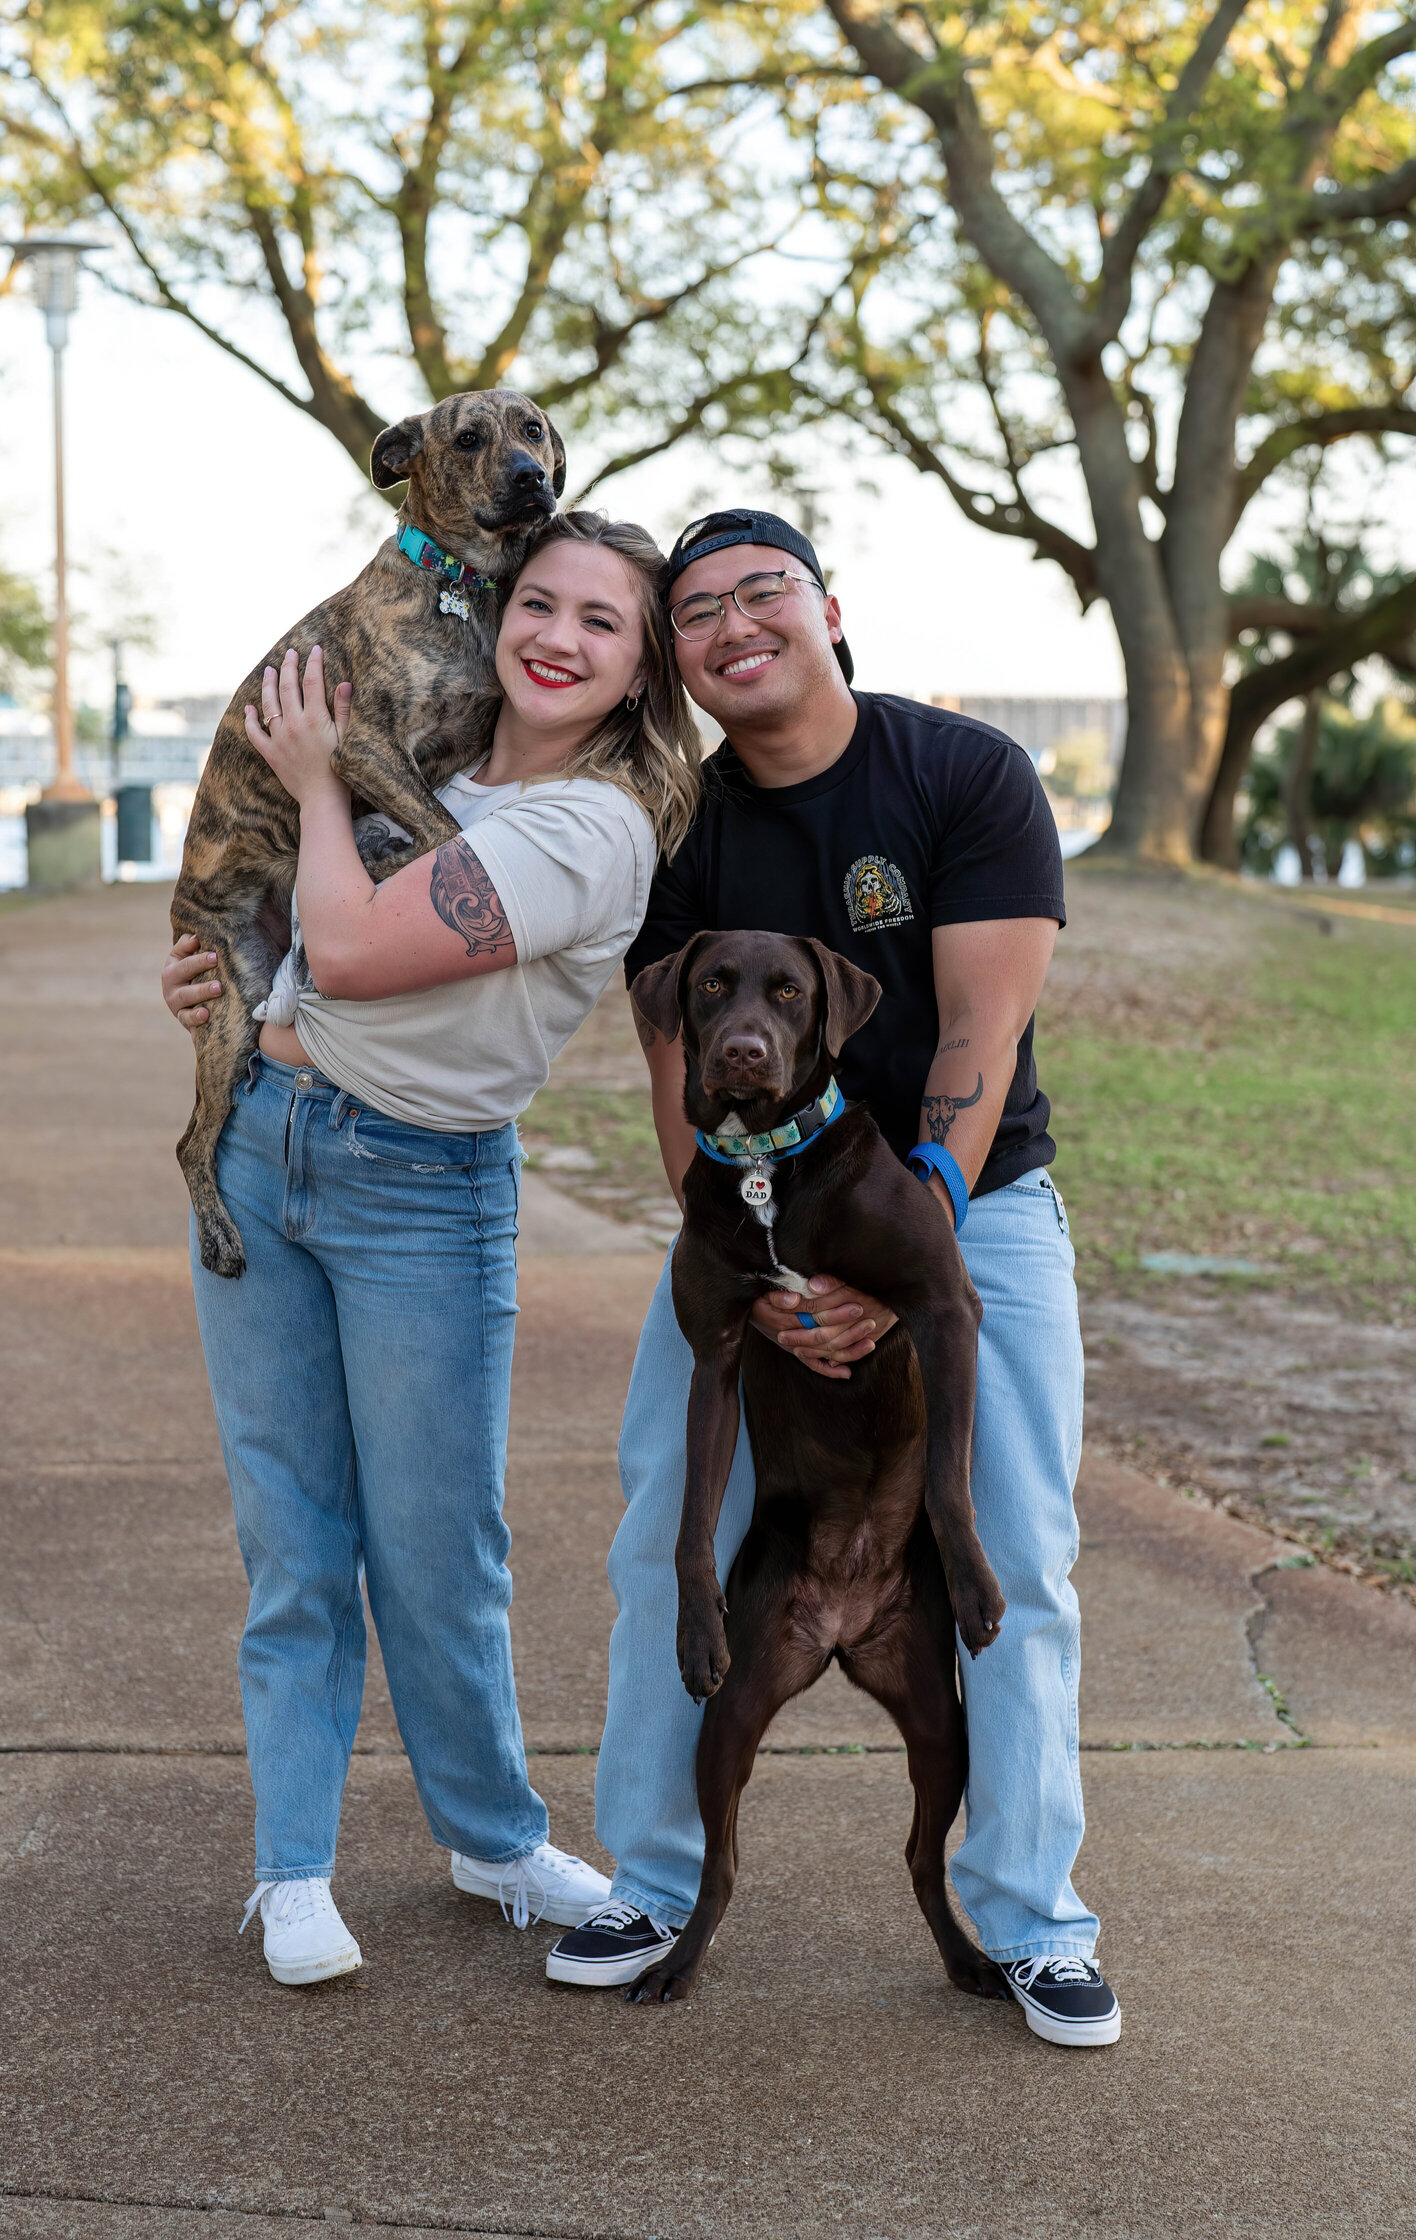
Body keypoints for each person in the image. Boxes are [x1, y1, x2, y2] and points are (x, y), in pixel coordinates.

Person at [544, 508, 1121, 2050]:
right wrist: (748, 1250)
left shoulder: (962, 775)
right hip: (751, 1214)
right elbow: (676, 1065)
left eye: (763, 592)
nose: (733, 624)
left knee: (1021, 1551)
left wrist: (895, 1240)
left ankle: (1032, 1917)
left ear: (826, 608)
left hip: (966, 1204)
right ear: (677, 659)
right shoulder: (682, 826)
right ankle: (653, 1885)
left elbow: (977, 1043)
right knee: (667, 1514)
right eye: (696, 613)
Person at [160, 512, 701, 1986]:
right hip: (265, 1146)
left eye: (603, 623)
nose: (557, 637)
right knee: (291, 1537)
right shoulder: (444, 768)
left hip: (421, 1192)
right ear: (496, 603)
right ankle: (291, 1873)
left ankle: (491, 1835)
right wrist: (215, 981)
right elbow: (296, 941)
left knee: (437, 1549)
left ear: (643, 670)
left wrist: (320, 785)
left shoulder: (591, 828)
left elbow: (353, 947)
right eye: (541, 601)